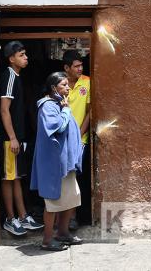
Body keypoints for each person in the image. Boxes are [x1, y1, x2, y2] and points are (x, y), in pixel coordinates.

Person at [31, 72, 84, 251]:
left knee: (71, 198)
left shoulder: (59, 103)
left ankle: (62, 233)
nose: (68, 88)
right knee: (53, 203)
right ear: (54, 88)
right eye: (63, 85)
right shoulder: (48, 106)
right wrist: (67, 110)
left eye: (67, 85)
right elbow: (58, 128)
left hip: (66, 162)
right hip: (54, 163)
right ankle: (47, 240)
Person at [0, 41, 44, 235]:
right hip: (11, 139)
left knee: (16, 178)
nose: (26, 58)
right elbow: (4, 110)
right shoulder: (9, 75)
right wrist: (13, 137)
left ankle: (23, 216)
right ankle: (10, 219)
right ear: (11, 59)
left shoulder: (17, 76)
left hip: (18, 138)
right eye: (22, 55)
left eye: (26, 54)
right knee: (9, 178)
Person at [62, 50, 91, 229]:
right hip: (63, 139)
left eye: (81, 65)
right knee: (65, 178)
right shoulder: (59, 83)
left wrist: (79, 134)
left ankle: (74, 216)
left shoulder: (87, 82)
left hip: (81, 139)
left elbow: (90, 111)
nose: (80, 69)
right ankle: (66, 217)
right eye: (76, 66)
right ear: (66, 68)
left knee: (76, 178)